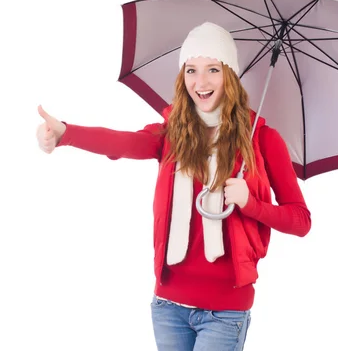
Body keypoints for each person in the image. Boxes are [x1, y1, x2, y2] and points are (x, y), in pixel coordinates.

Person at [36, 22, 311, 351]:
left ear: (230, 76)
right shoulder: (171, 133)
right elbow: (123, 142)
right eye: (192, 70)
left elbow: (300, 220)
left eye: (212, 69)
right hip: (168, 307)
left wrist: (250, 203)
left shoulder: (262, 139)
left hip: (225, 312)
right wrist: (67, 133)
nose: (201, 82)